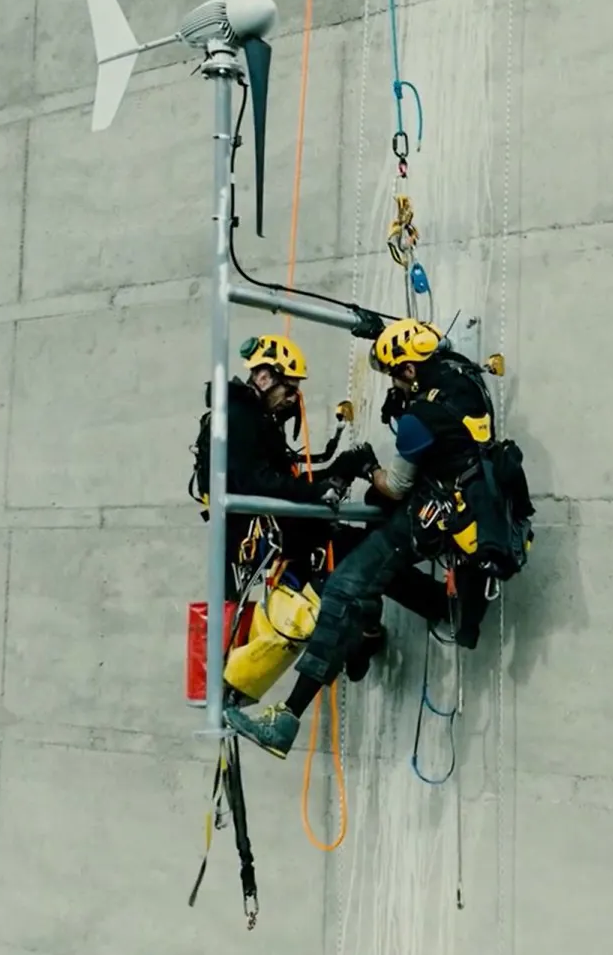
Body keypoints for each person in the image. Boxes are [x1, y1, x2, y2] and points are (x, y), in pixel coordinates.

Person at [225, 318, 533, 758]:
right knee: (366, 558)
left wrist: (367, 465)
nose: (394, 381)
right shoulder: (464, 375)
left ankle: (287, 718)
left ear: (408, 369)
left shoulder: (418, 419)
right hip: (479, 494)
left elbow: (395, 486)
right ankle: (413, 616)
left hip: (433, 510)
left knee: (345, 585)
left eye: (395, 374)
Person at [193, 334, 447, 684]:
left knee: (353, 563)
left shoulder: (250, 417)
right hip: (263, 534)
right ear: (264, 378)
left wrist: (338, 470)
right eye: (289, 388)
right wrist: (318, 488)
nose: (292, 398)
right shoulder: (237, 418)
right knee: (363, 557)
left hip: (274, 527)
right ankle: (439, 607)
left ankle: (364, 640)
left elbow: (279, 480)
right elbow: (261, 483)